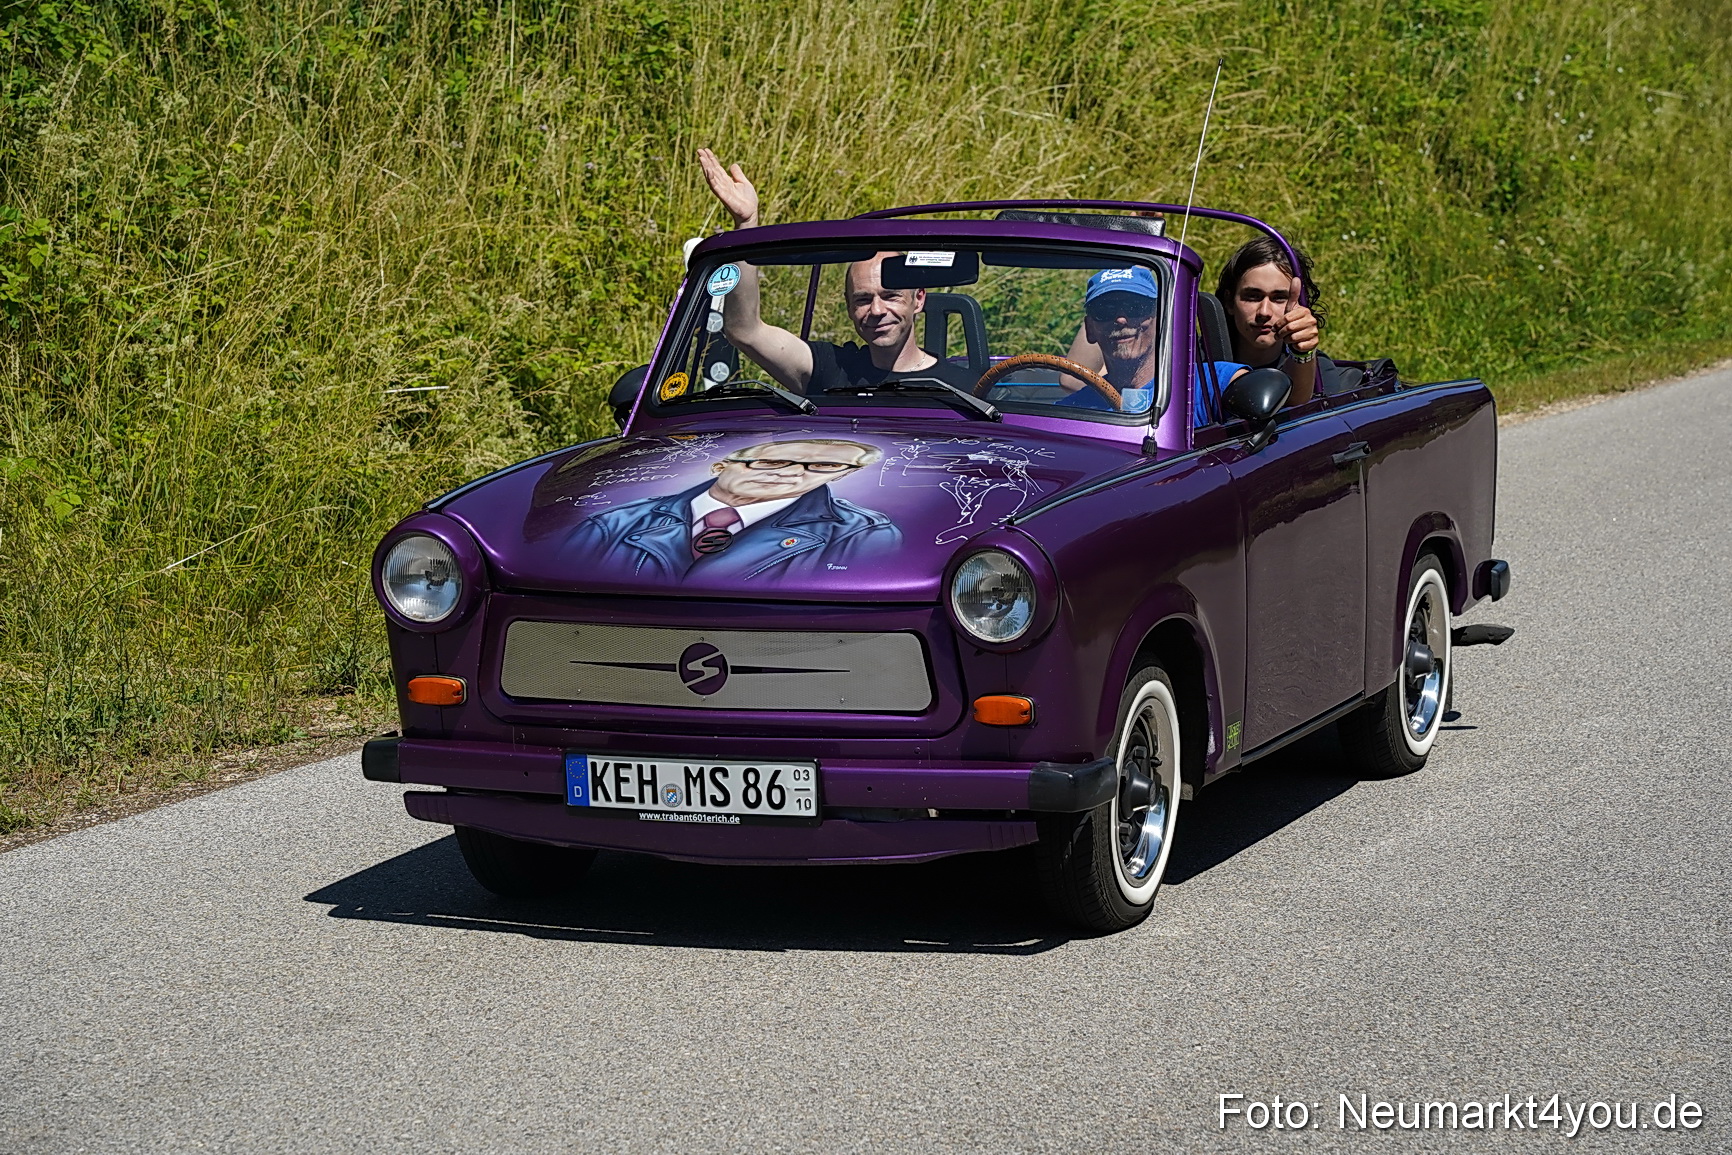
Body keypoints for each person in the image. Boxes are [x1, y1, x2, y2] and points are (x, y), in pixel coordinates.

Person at [696, 148, 975, 395]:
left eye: (890, 296)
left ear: (919, 299)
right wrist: (747, 224)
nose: (876, 310)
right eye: (863, 299)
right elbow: (745, 330)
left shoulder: (966, 389)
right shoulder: (831, 369)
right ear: (848, 306)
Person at [564, 438, 900, 581]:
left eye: (823, 466)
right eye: (772, 460)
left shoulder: (861, 536)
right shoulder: (612, 525)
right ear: (720, 465)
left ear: (842, 475)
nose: (792, 473)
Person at [1054, 266, 1250, 413]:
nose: (1121, 319)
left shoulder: (1208, 384)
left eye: (1135, 307)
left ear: (1161, 319)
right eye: (1105, 310)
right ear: (1090, 329)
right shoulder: (1073, 410)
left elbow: (1258, 397)